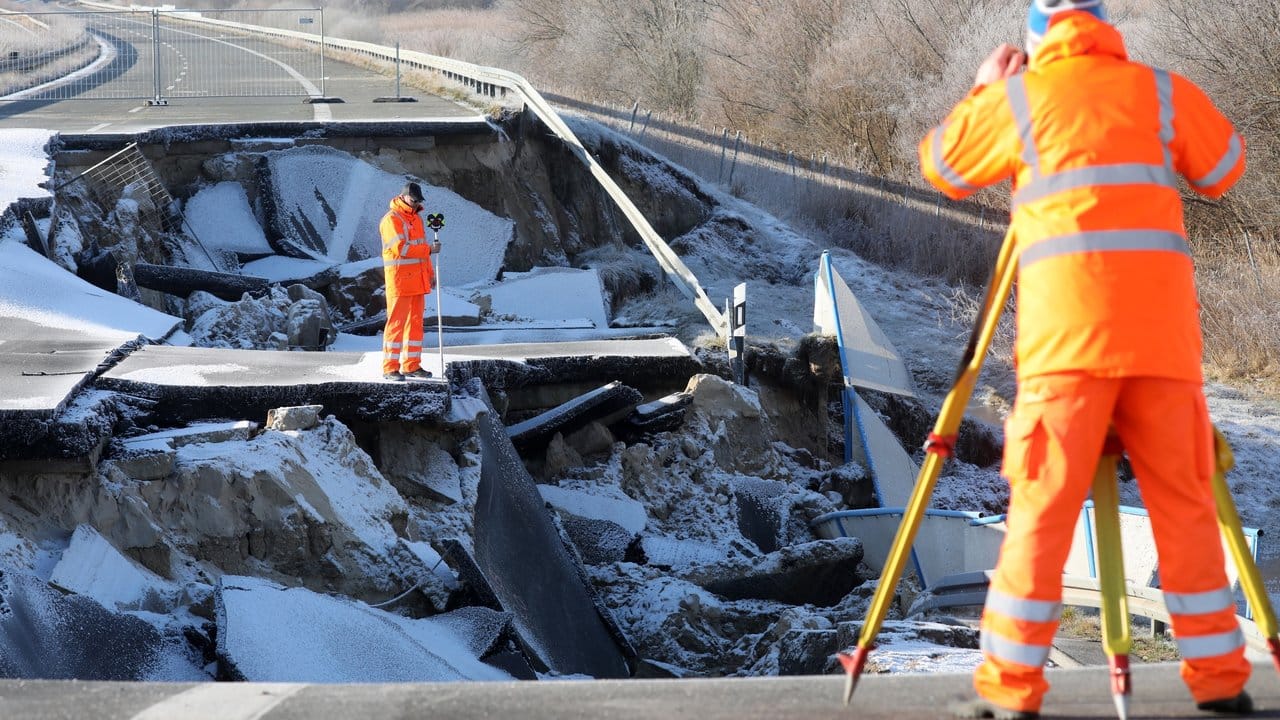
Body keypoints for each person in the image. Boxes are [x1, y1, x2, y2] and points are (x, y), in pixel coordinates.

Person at [919, 1, 1251, 717]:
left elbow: (944, 166)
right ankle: (1221, 682)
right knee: (1187, 510)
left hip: (1065, 351)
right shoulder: (1159, 92)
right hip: (1163, 349)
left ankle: (1011, 692)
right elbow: (1225, 167)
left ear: (1039, 38)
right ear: (1105, 27)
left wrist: (983, 91)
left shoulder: (1020, 99)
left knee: (1041, 514)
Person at [379, 181, 440, 381]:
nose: (415, 204)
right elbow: (402, 250)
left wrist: (430, 273)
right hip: (400, 281)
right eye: (413, 200)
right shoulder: (391, 219)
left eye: (418, 201)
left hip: (417, 281)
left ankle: (411, 366)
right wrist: (429, 249)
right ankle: (390, 368)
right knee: (396, 324)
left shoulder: (417, 220)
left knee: (415, 324)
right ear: (404, 196)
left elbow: (421, 251)